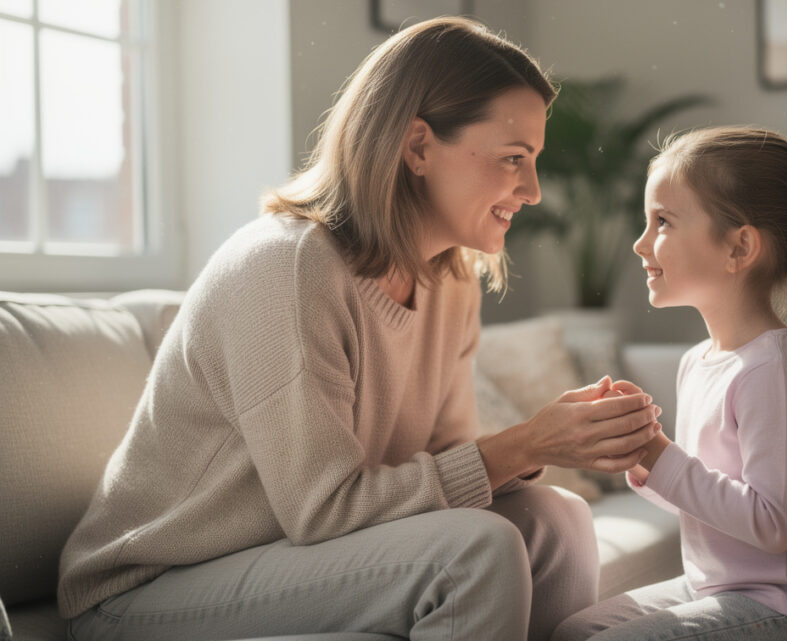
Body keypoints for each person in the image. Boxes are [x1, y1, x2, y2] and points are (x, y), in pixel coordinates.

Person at [59, 17, 662, 641]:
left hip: (285, 558)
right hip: (147, 591)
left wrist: (555, 443)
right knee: (474, 553)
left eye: (532, 161)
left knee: (557, 518)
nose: (532, 191)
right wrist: (527, 444)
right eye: (514, 158)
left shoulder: (451, 281)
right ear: (419, 146)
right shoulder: (287, 267)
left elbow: (443, 466)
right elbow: (323, 509)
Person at [553, 126, 787, 641]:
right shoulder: (698, 361)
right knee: (573, 632)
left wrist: (662, 455)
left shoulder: (770, 373)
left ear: (739, 247)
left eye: (662, 221)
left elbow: (771, 525)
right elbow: (717, 503)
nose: (640, 242)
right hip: (721, 590)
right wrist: (642, 460)